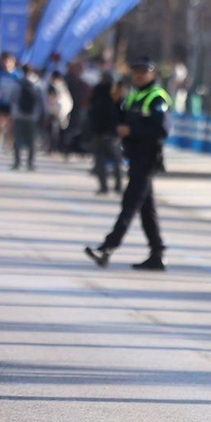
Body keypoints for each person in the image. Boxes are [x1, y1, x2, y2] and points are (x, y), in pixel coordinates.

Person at [86, 56, 171, 272]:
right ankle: (157, 253)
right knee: (146, 209)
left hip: (148, 158)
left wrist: (133, 131)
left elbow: (162, 130)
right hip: (135, 157)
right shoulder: (135, 95)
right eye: (136, 72)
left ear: (153, 74)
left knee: (130, 203)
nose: (139, 75)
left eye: (144, 71)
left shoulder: (156, 97)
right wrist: (116, 103)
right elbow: (121, 123)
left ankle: (107, 248)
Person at [87, 72, 125, 196]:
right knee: (116, 160)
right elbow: (123, 113)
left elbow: (91, 110)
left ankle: (104, 187)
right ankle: (118, 186)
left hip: (100, 131)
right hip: (112, 132)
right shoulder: (117, 94)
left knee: (101, 160)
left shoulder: (98, 92)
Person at [10, 65, 45, 171]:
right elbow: (42, 101)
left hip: (18, 115)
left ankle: (17, 162)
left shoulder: (18, 83)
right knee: (32, 141)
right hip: (33, 117)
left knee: (17, 140)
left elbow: (12, 98)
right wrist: (42, 115)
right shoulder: (38, 84)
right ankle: (30, 163)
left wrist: (13, 112)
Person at [0, 51, 19, 150]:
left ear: (13, 62)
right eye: (5, 61)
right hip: (0, 102)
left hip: (12, 103)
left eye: (9, 61)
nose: (7, 63)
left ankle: (9, 143)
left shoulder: (17, 75)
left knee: (10, 125)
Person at [45, 71, 73, 158]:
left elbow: (51, 99)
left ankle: (53, 149)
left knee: (53, 132)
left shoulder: (54, 86)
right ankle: (58, 149)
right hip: (64, 111)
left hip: (56, 111)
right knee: (59, 131)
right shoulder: (63, 86)